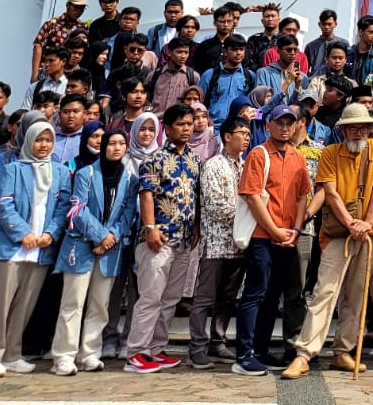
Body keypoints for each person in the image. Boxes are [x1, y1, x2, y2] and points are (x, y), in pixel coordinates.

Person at [282, 102, 373, 379]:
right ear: (343, 130)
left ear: (369, 129)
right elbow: (330, 193)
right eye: (352, 127)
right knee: (324, 292)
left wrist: (365, 222)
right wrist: (351, 223)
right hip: (337, 232)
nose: (358, 132)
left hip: (369, 232)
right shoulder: (330, 153)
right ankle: (304, 353)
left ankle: (343, 350)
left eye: (363, 127)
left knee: (356, 296)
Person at [0, 120, 69, 378]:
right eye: (39, 140)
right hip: (12, 246)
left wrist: (51, 233)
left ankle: (12, 355)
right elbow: (4, 204)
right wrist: (23, 233)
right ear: (28, 141)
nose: (44, 145)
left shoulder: (60, 171)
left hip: (41, 248)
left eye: (49, 140)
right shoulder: (13, 169)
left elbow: (64, 207)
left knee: (25, 305)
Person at [232, 103, 310, 376]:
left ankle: (261, 350)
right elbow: (252, 197)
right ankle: (244, 355)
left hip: (288, 236)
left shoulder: (297, 157)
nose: (285, 127)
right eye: (280, 123)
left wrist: (296, 230)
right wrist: (276, 231)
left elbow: (303, 195)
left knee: (272, 296)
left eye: (290, 123)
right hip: (262, 236)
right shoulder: (259, 154)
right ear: (269, 125)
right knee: (255, 293)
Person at [51, 129, 136, 374]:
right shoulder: (85, 173)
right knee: (73, 302)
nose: (116, 148)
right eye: (111, 143)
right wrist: (100, 235)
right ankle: (64, 356)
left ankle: (90, 352)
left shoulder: (130, 180)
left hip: (110, 249)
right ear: (103, 147)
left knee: (100, 304)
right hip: (81, 244)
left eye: (121, 144)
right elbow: (77, 208)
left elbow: (128, 213)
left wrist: (110, 237)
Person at [126, 103, 201, 373]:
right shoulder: (154, 159)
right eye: (181, 124)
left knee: (170, 299)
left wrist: (196, 228)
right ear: (167, 129)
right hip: (158, 239)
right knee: (150, 297)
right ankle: (136, 352)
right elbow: (146, 194)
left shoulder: (194, 160)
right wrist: (150, 228)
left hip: (183, 240)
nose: (186, 129)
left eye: (190, 124)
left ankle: (157, 348)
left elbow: (196, 197)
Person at [185, 114, 247, 369]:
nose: (246, 138)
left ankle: (217, 342)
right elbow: (214, 205)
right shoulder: (213, 165)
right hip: (216, 244)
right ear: (227, 137)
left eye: (248, 134)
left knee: (227, 298)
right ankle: (197, 347)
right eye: (242, 133)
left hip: (239, 244)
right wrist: (250, 217)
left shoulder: (244, 165)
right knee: (204, 298)